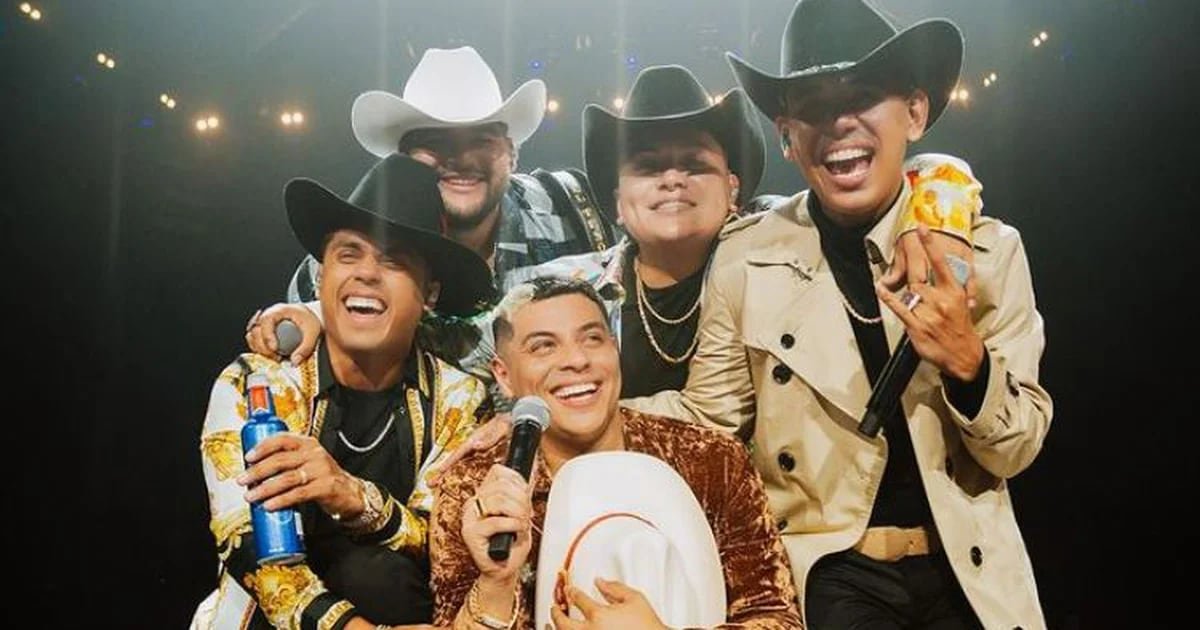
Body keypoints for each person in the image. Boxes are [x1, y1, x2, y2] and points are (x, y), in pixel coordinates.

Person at [628, 0, 1053, 628]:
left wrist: (970, 365)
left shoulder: (985, 250)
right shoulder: (748, 258)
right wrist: (578, 417)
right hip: (832, 572)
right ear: (786, 136)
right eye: (813, 107)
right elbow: (709, 420)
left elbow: (1016, 449)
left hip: (969, 569)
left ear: (915, 113)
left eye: (862, 96)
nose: (839, 123)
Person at [193, 155, 494, 629]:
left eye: (393, 261)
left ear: (430, 295)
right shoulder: (257, 385)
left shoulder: (461, 399)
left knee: (380, 575)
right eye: (349, 254)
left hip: (398, 608)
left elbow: (441, 541)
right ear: (320, 278)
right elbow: (248, 545)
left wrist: (352, 496)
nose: (367, 273)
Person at [428, 277, 802, 629]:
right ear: (504, 376)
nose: (576, 360)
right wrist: (496, 581)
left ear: (615, 348)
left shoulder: (711, 459)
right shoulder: (474, 489)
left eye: (592, 339)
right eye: (543, 346)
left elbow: (775, 616)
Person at [286, 45, 617, 305]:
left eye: (481, 140)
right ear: (401, 161)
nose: (462, 159)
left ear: (513, 154)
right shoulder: (338, 267)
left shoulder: (572, 206)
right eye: (435, 142)